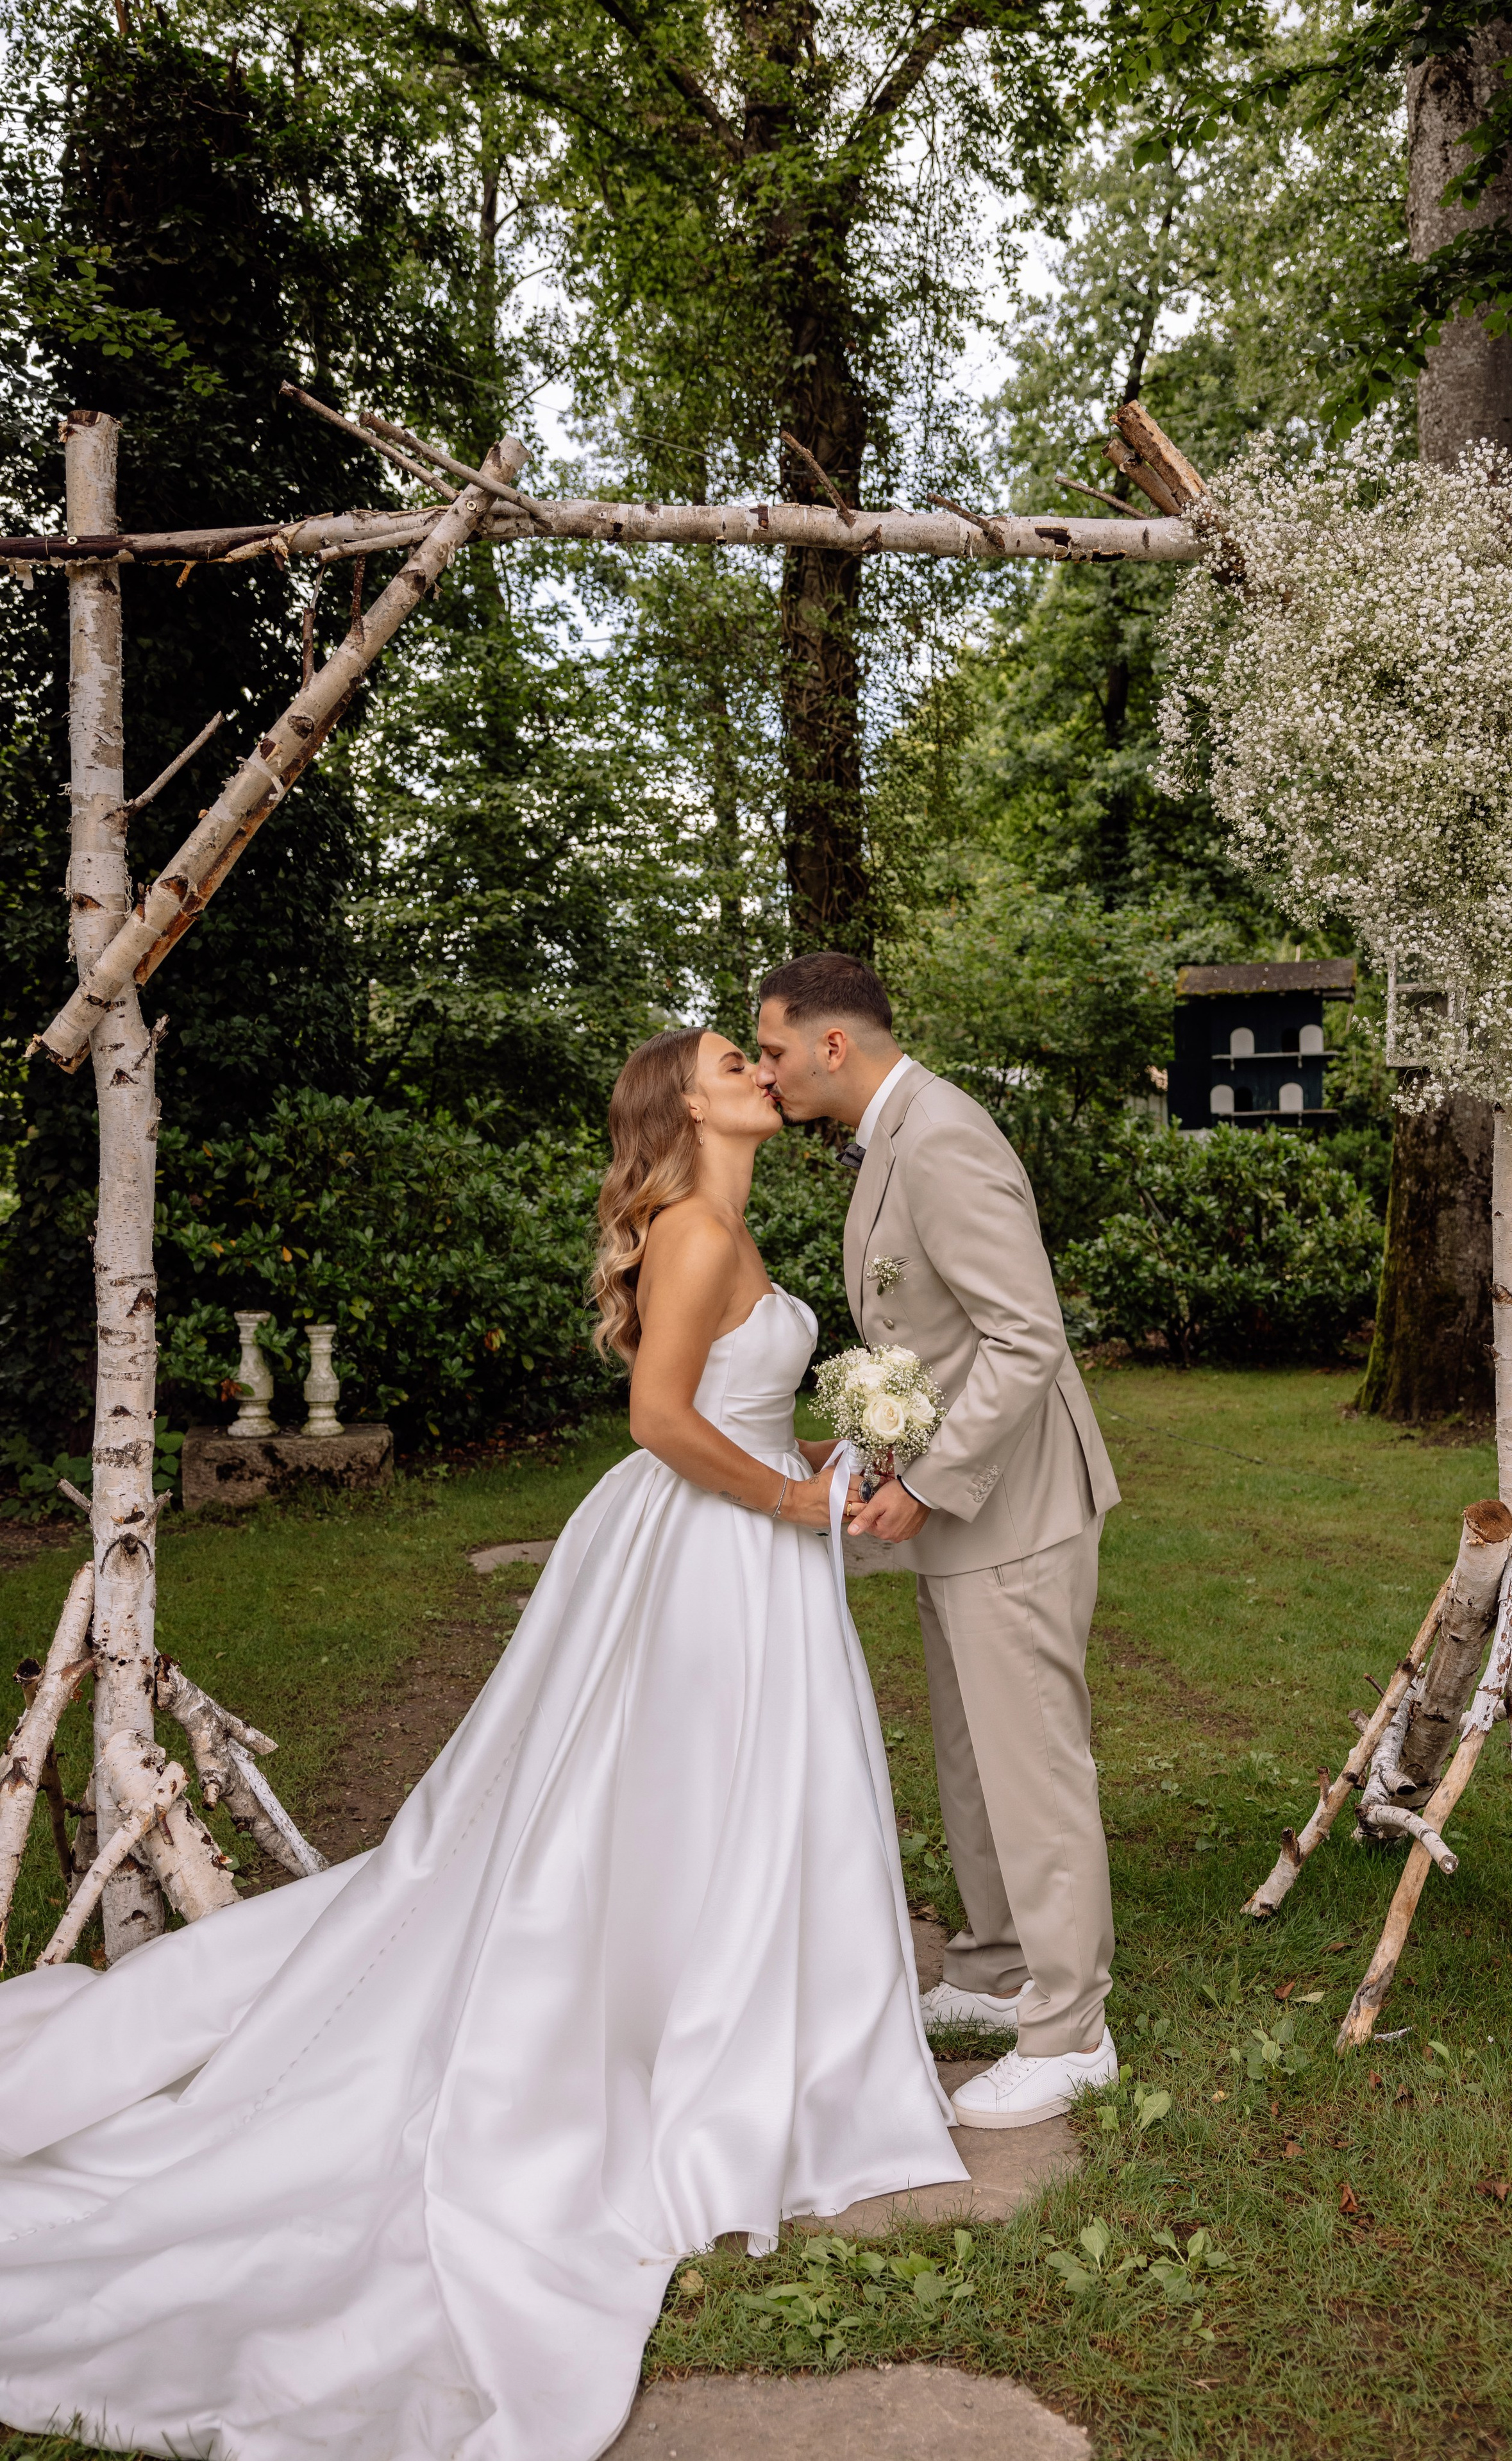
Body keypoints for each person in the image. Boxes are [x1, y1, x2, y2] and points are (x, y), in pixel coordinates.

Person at [0, 1027, 964, 2461]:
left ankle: (741, 2010)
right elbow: (658, 1421)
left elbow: (724, 1402)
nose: (759, 1072)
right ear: (681, 1106)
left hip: (742, 1539)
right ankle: (664, 2027)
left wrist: (824, 1456)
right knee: (681, 1790)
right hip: (706, 1550)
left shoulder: (723, 1224)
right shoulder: (698, 1231)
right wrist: (785, 1497)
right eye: (729, 1061)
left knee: (728, 1791)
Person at [755, 952, 1123, 2129]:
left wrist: (930, 1478)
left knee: (1033, 1760)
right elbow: (938, 1343)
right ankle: (997, 1965)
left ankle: (1073, 2031)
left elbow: (1027, 1337)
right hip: (959, 1508)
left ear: (832, 1044)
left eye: (771, 1049)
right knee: (971, 1755)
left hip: (1014, 1506)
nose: (764, 1071)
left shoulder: (944, 1135)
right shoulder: (889, 1137)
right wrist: (872, 1449)